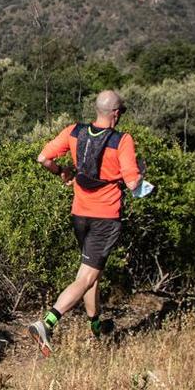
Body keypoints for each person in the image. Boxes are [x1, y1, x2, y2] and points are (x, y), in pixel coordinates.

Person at [27, 89, 150, 355]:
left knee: (92, 273)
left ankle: (96, 329)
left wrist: (62, 171)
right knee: (86, 277)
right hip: (105, 218)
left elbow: (43, 158)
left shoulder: (74, 131)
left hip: (79, 215)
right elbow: (131, 183)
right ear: (116, 114)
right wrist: (142, 176)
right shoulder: (122, 140)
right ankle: (46, 323)